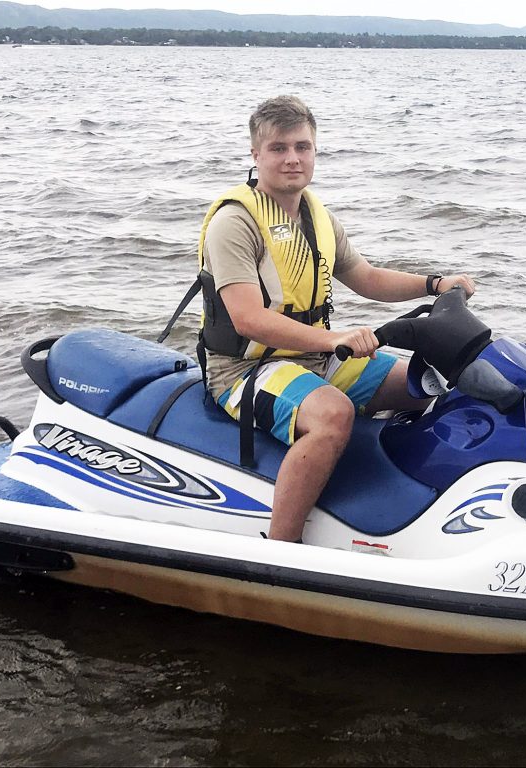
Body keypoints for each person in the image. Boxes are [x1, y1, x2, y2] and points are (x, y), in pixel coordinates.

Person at [197, 95, 475, 543]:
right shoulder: (235, 223)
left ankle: (391, 507)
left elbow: (366, 277)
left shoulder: (317, 216)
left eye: (302, 147)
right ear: (255, 154)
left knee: (425, 384)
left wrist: (434, 283)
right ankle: (282, 547)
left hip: (314, 357)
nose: (293, 159)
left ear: (315, 150)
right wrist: (333, 339)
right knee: (333, 415)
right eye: (279, 148)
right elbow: (247, 319)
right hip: (245, 369)